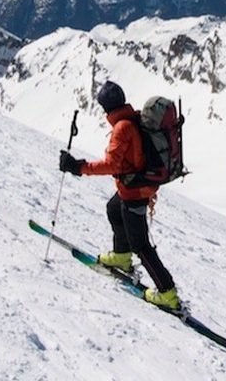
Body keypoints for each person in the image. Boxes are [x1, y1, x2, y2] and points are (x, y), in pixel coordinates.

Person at [59, 80, 181, 310]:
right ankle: (121, 256)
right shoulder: (132, 117)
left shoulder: (122, 127)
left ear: (106, 107)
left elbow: (112, 165)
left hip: (135, 190)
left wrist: (77, 167)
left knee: (141, 244)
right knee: (114, 208)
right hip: (136, 186)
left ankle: (168, 293)